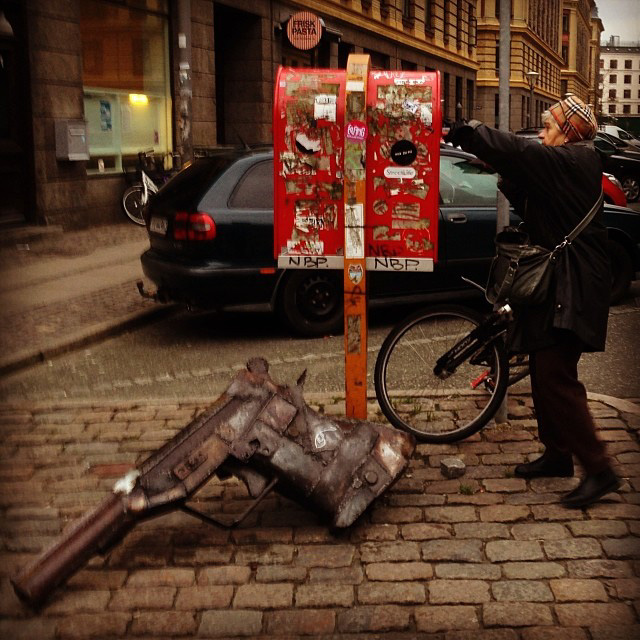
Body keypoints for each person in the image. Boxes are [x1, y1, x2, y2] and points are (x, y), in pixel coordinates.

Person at [444, 95, 620, 508]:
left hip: (575, 282)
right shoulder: (567, 164)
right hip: (563, 279)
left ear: (570, 132)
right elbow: (533, 198)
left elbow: (519, 151)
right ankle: (558, 455)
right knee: (544, 368)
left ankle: (600, 468)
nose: (542, 133)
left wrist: (468, 131)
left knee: (557, 376)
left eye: (550, 126)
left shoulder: (573, 160)